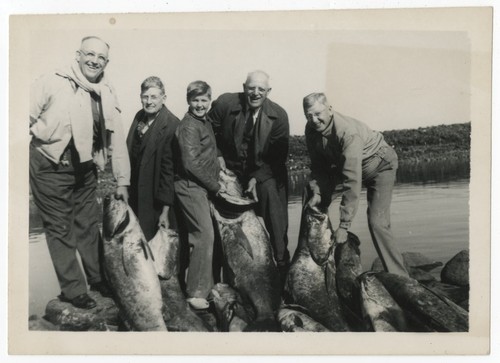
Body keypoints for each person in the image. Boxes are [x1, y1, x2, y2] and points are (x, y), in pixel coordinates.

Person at [29, 36, 130, 309]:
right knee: (60, 228)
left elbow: (117, 138)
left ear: (106, 63)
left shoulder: (106, 91)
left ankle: (98, 279)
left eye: (101, 58)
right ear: (78, 54)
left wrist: (122, 180)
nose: (95, 61)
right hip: (50, 164)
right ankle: (74, 290)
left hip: (85, 169)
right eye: (90, 54)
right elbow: (18, 117)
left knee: (88, 225)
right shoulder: (53, 81)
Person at [303, 92, 409, 277]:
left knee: (378, 222)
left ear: (329, 109)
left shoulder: (347, 132)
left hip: (380, 165)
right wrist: (318, 192)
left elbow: (352, 180)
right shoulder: (311, 129)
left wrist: (344, 226)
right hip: (348, 167)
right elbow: (318, 167)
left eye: (318, 113)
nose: (314, 119)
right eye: (308, 115)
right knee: (311, 197)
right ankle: (317, 265)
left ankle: (400, 277)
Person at [208, 70, 290, 287]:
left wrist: (256, 177)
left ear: (268, 91)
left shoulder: (279, 116)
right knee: (220, 221)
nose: (255, 93)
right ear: (244, 87)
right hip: (228, 171)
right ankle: (219, 279)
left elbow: (277, 158)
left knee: (273, 204)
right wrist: (217, 156)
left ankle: (282, 267)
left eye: (261, 89)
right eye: (251, 88)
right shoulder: (225, 103)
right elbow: (207, 130)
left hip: (263, 172)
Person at [174, 81, 223, 310]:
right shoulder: (189, 126)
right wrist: (215, 186)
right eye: (195, 100)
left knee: (207, 236)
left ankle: (206, 286)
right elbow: (190, 163)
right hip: (190, 187)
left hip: (201, 187)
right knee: (203, 235)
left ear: (210, 100)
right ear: (188, 101)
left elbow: (210, 151)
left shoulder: (204, 122)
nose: (200, 104)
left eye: (204, 100)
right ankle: (195, 293)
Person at [126, 76, 180, 241]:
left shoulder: (172, 125)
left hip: (156, 201)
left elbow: (169, 172)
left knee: (157, 247)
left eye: (154, 97)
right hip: (135, 196)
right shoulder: (139, 117)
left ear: (163, 98)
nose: (149, 101)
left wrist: (165, 210)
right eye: (145, 97)